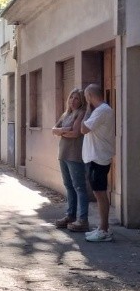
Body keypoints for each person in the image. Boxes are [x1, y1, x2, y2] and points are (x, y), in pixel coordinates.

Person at [80, 84, 116, 242]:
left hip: (98, 158)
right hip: (95, 158)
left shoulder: (101, 110)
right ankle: (103, 227)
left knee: (100, 193)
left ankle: (104, 230)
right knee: (98, 192)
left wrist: (87, 109)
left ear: (89, 96)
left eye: (86, 97)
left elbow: (83, 129)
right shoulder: (101, 110)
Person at [52, 89, 89, 232]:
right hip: (63, 154)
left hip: (75, 155)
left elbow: (75, 133)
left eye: (77, 99)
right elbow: (53, 129)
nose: (73, 101)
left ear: (82, 101)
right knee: (68, 186)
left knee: (79, 187)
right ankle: (70, 216)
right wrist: (64, 129)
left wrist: (61, 131)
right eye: (71, 97)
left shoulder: (82, 113)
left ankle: (82, 219)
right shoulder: (66, 113)